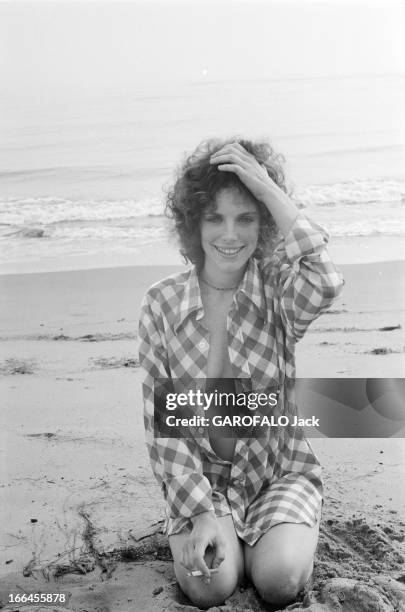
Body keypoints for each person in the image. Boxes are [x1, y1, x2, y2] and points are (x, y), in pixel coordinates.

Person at [138, 138, 344, 609]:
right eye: (215, 218)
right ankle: (232, 537)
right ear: (194, 223)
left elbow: (326, 278)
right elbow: (164, 428)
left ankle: (276, 539)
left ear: (264, 221)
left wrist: (267, 187)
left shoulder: (277, 288)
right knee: (211, 587)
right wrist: (199, 512)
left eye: (246, 217)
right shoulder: (161, 303)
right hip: (202, 480)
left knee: (280, 582)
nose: (230, 234)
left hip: (277, 473)